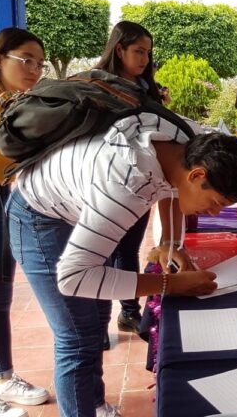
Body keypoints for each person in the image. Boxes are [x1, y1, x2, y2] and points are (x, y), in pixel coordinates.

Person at [7, 117, 237, 417]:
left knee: (98, 316)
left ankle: (94, 404)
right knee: (77, 337)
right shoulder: (126, 185)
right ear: (198, 175)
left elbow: (171, 188)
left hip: (78, 198)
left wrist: (172, 245)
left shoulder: (190, 140)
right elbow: (73, 279)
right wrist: (172, 284)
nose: (214, 213)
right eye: (215, 202)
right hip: (38, 214)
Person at [94, 20, 161, 345]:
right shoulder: (96, 87)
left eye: (148, 52)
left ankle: (129, 311)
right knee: (101, 254)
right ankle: (98, 324)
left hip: (140, 185)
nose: (144, 59)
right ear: (119, 49)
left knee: (129, 250)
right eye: (138, 51)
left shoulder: (147, 91)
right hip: (104, 186)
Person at [0, 26, 50, 417]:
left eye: (39, 63)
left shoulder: (12, 102)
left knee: (1, 291)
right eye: (25, 60)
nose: (34, 69)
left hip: (1, 193)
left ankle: (2, 374)